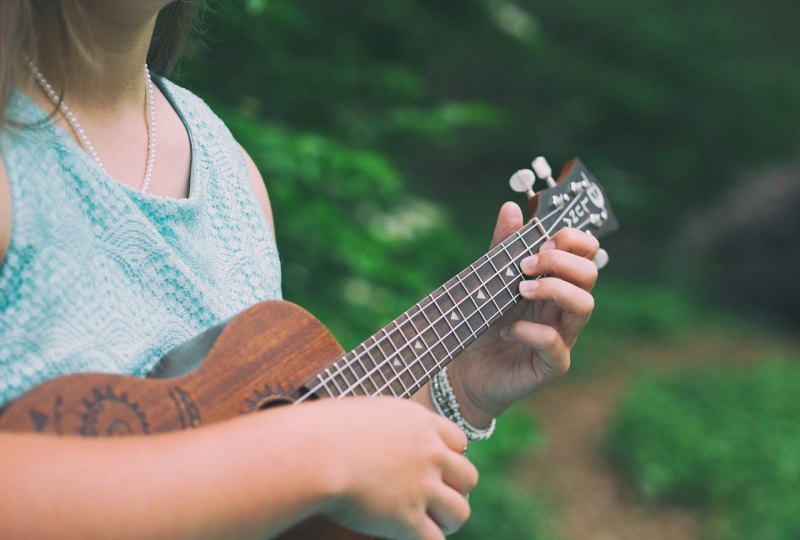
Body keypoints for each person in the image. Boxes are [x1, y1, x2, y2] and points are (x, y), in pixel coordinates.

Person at [0, 1, 600, 539]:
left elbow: (274, 507)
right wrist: (309, 455)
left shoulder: (231, 174)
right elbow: (291, 459)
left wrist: (458, 391)